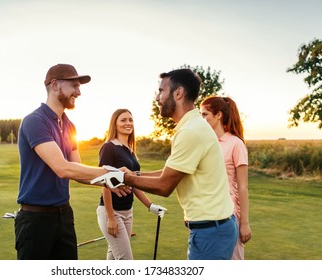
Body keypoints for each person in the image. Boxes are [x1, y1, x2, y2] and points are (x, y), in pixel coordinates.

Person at [92, 68, 238, 260]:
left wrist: (123, 177)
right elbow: (168, 172)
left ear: (178, 93)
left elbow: (164, 185)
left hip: (210, 231)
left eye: (161, 91)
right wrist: (134, 175)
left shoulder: (190, 131)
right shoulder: (191, 127)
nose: (157, 97)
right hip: (214, 228)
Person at [15, 63, 129, 260]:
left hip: (64, 216)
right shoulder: (35, 121)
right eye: (74, 86)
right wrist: (110, 172)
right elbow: (63, 168)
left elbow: (77, 170)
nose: (79, 92)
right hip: (36, 220)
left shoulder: (70, 126)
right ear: (55, 84)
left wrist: (109, 181)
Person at [96, 109, 167, 260]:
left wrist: (150, 205)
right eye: (123, 120)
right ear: (114, 124)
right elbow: (104, 182)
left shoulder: (130, 151)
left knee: (114, 258)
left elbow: (134, 182)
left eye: (130, 120)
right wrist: (111, 217)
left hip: (128, 212)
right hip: (112, 211)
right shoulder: (109, 147)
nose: (128, 123)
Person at [200, 96, 252, 260]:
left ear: (218, 115)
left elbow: (242, 187)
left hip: (230, 217)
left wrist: (244, 223)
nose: (202, 119)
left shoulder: (236, 144)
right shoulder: (205, 143)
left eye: (205, 115)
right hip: (206, 214)